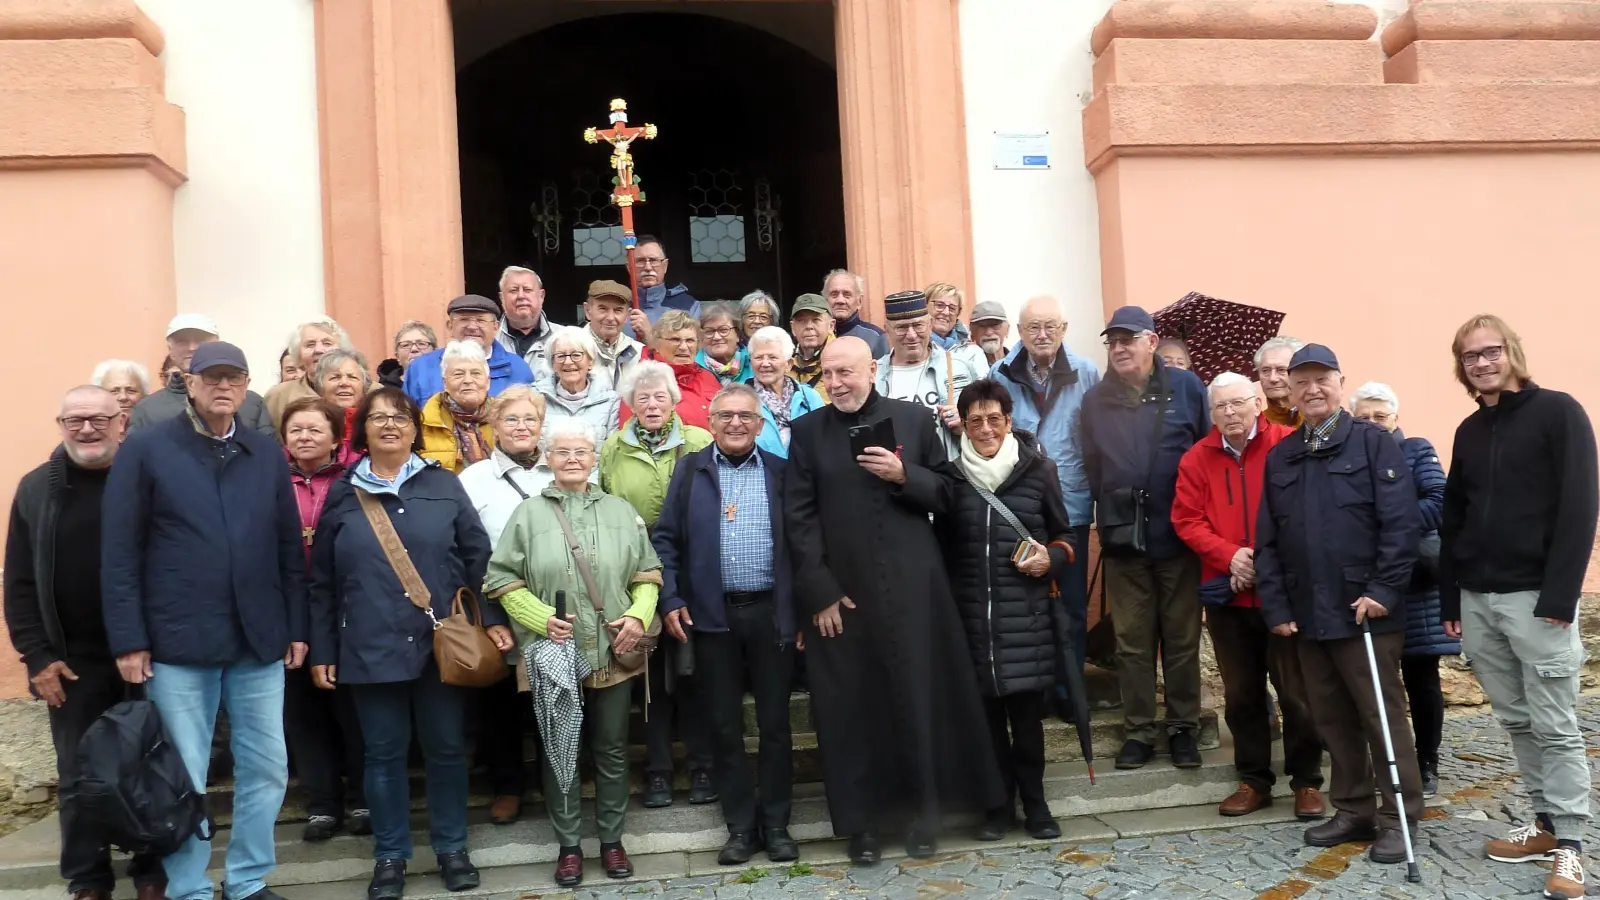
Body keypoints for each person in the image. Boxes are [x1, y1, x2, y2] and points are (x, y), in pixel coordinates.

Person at [785, 336, 1004, 864]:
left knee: (918, 698)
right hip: (843, 599)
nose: (837, 383)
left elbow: (949, 494)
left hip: (913, 590)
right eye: (829, 375)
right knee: (851, 712)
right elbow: (798, 516)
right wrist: (820, 592)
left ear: (871, 372)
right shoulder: (808, 432)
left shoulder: (911, 420)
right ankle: (861, 827)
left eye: (847, 373)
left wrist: (906, 476)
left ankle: (924, 816)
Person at [101, 341, 306, 900]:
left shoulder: (264, 451)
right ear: (187, 383)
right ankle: (187, 887)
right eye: (211, 377)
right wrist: (129, 639)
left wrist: (296, 626)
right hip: (177, 640)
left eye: (233, 378)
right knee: (185, 773)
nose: (223, 386)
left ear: (245, 387)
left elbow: (288, 545)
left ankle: (247, 880)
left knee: (267, 768)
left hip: (258, 638)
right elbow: (120, 551)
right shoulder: (145, 448)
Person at [307, 387, 508, 900]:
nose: (390, 426)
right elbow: (324, 581)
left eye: (400, 417)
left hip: (440, 644)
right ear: (362, 431)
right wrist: (324, 649)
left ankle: (451, 848)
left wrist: (491, 620)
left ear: (416, 427)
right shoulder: (343, 492)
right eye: (379, 418)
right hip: (369, 646)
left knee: (444, 750)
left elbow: (477, 558)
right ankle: (390, 857)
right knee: (382, 754)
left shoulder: (443, 484)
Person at [1438, 315, 1596, 899]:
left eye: (1490, 351)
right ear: (1462, 367)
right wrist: (1450, 594)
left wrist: (1561, 593)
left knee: (1556, 725)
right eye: (1470, 357)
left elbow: (1581, 505)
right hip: (1479, 602)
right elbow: (1454, 516)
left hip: (1537, 599)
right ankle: (1545, 824)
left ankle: (1573, 845)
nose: (1481, 363)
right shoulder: (1470, 430)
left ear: (1511, 352)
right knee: (1518, 721)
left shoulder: (1559, 412)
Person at [1256, 343, 1424, 865]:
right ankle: (1353, 808)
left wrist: (1382, 591)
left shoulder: (1373, 444)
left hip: (1364, 609)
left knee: (1381, 715)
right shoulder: (1283, 455)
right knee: (1330, 717)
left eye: (1321, 379)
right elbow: (1268, 540)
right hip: (1309, 612)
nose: (1311, 389)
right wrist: (1278, 607)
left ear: (1340, 382)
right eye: (1300, 380)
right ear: (1290, 388)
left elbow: (1402, 526)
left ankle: (1400, 817)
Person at [5, 387, 167, 900]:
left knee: (150, 764)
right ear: (60, 424)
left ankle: (151, 868)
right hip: (72, 661)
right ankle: (88, 877)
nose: (87, 429)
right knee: (77, 773)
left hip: (149, 653)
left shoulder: (147, 480)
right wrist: (38, 657)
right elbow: (20, 582)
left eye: (98, 419)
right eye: (74, 420)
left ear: (122, 421)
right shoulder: (36, 490)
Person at [485, 418, 662, 888]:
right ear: (548, 456)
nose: (572, 459)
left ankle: (611, 840)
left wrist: (638, 617)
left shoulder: (622, 511)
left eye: (581, 451)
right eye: (562, 451)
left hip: (612, 650)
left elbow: (648, 574)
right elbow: (501, 579)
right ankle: (568, 847)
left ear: (594, 456)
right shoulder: (528, 515)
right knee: (559, 751)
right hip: (553, 651)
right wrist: (539, 617)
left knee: (612, 749)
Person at [654, 384, 800, 866]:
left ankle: (776, 824)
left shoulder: (782, 473)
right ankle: (740, 826)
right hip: (711, 618)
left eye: (745, 416)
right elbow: (666, 540)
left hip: (771, 615)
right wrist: (671, 596)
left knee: (777, 724)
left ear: (761, 425)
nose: (736, 423)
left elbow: (802, 546)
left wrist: (798, 608)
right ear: (710, 424)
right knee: (723, 725)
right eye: (725, 416)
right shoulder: (690, 471)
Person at [1171, 372, 1325, 820]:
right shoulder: (1196, 458)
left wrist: (1263, 558)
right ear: (1211, 413)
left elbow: (1304, 509)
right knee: (1241, 695)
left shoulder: (1288, 443)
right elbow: (1187, 520)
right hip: (1229, 595)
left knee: (1297, 692)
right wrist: (1231, 556)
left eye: (1238, 403)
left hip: (1284, 594)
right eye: (1220, 407)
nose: (1230, 413)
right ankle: (1254, 779)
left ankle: (1306, 780)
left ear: (1257, 402)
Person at [940, 379, 1073, 843]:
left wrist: (1051, 559)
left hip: (1026, 619)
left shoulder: (1039, 470)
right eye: (974, 420)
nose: (985, 428)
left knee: (1027, 725)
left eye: (994, 418)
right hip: (972, 618)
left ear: (1009, 421)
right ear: (963, 427)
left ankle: (1036, 806)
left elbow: (1066, 536)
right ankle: (997, 808)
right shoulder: (952, 477)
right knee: (987, 726)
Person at [1079, 305, 1209, 771]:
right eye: (1112, 341)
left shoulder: (1188, 388)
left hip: (1179, 536)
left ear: (1152, 342)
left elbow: (1206, 452)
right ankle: (1138, 731)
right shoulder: (1095, 400)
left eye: (1128, 339)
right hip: (1123, 540)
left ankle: (1182, 729)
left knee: (1181, 638)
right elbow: (1093, 465)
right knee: (1132, 644)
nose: (1118, 348)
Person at [597, 360, 716, 809]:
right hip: (635, 575)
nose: (651, 404)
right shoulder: (613, 448)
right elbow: (604, 506)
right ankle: (659, 771)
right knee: (651, 681)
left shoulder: (699, 441)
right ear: (630, 404)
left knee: (695, 674)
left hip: (694, 571)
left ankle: (704, 766)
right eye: (642, 397)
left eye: (659, 396)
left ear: (674, 400)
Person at [1350, 382, 1452, 801]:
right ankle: (1390, 760)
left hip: (1415, 586)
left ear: (1395, 418)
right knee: (1376, 682)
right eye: (1364, 417)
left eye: (1380, 416)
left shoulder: (1415, 450)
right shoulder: (1347, 457)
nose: (1372, 423)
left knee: (1421, 681)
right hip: (1368, 584)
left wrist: (1392, 520)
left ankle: (1427, 761)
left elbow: (1441, 501)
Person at [457, 386, 553, 827]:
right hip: (499, 611)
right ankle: (508, 786)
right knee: (501, 709)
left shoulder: (561, 470)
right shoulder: (474, 480)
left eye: (529, 419)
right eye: (511, 420)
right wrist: (491, 615)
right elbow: (465, 551)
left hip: (556, 611)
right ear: (493, 426)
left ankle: (559, 784)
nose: (521, 427)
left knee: (556, 701)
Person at [989, 296, 1099, 672]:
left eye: (1051, 326)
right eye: (1033, 327)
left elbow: (1096, 440)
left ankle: (1071, 690)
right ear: (1019, 332)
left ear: (1064, 330)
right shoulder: (999, 374)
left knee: (1070, 601)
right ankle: (1039, 686)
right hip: (1020, 505)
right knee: (1025, 602)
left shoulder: (1087, 373)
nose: (1043, 334)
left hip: (1071, 506)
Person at [278, 396, 368, 842]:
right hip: (287, 604)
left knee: (351, 706)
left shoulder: (354, 481)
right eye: (296, 430)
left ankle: (364, 797)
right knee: (302, 710)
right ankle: (322, 803)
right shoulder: (272, 482)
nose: (305, 437)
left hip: (345, 602)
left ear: (336, 438)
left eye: (315, 429)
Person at [873, 290, 984, 460]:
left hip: (949, 475)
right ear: (887, 329)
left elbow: (986, 425)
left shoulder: (960, 367)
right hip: (892, 477)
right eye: (901, 327)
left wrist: (965, 423)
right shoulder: (873, 375)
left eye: (918, 325)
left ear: (929, 324)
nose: (911, 335)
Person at [129, 313, 274, 435]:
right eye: (182, 342)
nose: (192, 348)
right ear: (170, 349)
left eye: (200, 340)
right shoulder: (147, 409)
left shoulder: (252, 403)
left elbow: (267, 457)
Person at [404, 294, 534, 404]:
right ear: (450, 326)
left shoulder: (518, 369)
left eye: (481, 320)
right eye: (464, 319)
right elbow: (407, 418)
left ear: (496, 327)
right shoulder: (420, 368)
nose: (472, 326)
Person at [626, 309, 720, 430]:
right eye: (675, 340)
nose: (684, 347)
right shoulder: (641, 380)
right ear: (657, 344)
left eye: (690, 341)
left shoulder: (708, 377)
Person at [744, 327, 826, 458]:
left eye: (772, 357)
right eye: (758, 357)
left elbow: (825, 440)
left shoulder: (809, 398)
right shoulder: (740, 399)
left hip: (804, 476)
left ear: (789, 364)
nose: (765, 363)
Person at [419, 341, 497, 473]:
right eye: (458, 374)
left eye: (475, 373)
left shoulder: (504, 417)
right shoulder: (424, 424)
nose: (467, 380)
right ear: (445, 383)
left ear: (488, 381)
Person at [266, 317, 355, 431]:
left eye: (327, 343)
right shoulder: (278, 396)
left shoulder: (368, 390)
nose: (318, 350)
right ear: (299, 353)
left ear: (342, 350)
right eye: (310, 345)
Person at [536, 326, 621, 442]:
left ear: (590, 362)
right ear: (553, 364)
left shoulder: (610, 401)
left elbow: (612, 450)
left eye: (576, 355)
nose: (568, 362)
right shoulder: (536, 398)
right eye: (560, 356)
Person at [582, 280, 647, 392]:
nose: (611, 318)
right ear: (587, 310)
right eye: (603, 309)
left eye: (618, 310)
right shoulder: (569, 349)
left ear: (627, 315)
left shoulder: (639, 352)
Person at [629, 235, 700, 336]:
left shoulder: (687, 306)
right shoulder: (618, 307)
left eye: (653, 261)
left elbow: (691, 349)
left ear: (665, 266)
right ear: (629, 267)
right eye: (640, 261)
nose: (648, 267)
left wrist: (649, 335)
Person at [494, 265, 555, 381]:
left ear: (541, 296)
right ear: (502, 298)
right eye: (513, 290)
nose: (521, 296)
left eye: (527, 290)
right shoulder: (490, 340)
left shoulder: (563, 336)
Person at [312, 348, 374, 459]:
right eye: (335, 377)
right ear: (320, 385)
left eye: (352, 377)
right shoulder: (307, 421)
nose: (344, 383)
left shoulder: (376, 421)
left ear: (364, 386)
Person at [823, 270, 889, 358]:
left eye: (847, 295)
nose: (840, 300)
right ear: (825, 300)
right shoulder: (814, 335)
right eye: (834, 294)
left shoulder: (876, 338)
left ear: (859, 302)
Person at [923, 282, 989, 371]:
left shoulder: (972, 352)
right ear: (924, 307)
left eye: (952, 308)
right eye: (939, 305)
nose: (946, 312)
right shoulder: (914, 348)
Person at [786, 293, 835, 401]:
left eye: (816, 320)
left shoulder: (843, 359)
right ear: (793, 328)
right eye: (801, 321)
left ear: (831, 326)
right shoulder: (783, 361)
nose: (809, 326)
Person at [1254, 335, 1305, 428]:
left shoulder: (1320, 420)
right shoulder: (1254, 428)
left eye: (1281, 370)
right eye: (1265, 370)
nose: (1273, 378)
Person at [697, 302, 753, 385]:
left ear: (737, 334)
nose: (716, 337)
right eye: (709, 331)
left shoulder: (754, 363)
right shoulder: (693, 368)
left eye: (723, 330)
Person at [377, 321, 437, 390]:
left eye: (421, 344)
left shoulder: (446, 384)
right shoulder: (385, 391)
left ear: (435, 351)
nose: (414, 349)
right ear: (397, 356)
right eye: (406, 345)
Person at [969, 301, 1012, 367]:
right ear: (972, 332)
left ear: (1007, 330)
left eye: (995, 325)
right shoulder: (966, 369)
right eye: (982, 326)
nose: (989, 332)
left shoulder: (1020, 365)